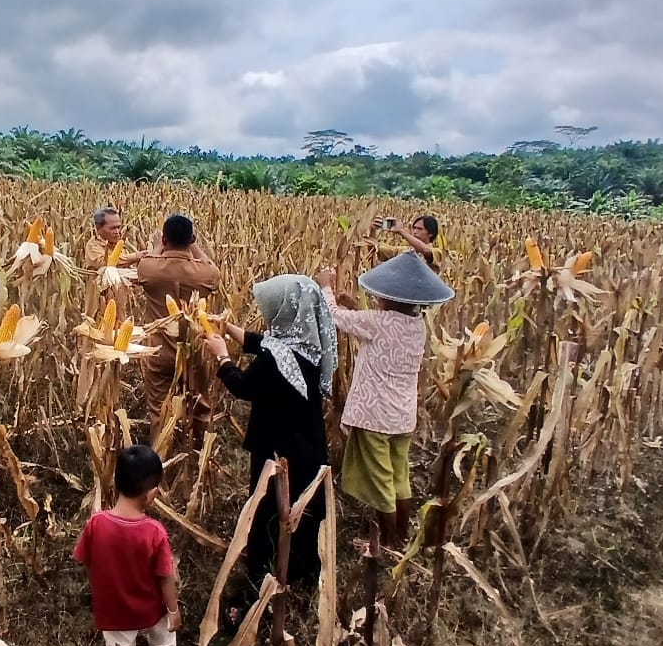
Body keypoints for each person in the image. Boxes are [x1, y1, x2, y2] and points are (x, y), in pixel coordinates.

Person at [202, 275, 337, 621]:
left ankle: (265, 575)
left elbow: (245, 386)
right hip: (306, 442)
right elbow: (268, 344)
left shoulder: (276, 361)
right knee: (303, 508)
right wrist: (231, 329)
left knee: (267, 508)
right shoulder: (308, 345)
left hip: (277, 449)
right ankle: (304, 566)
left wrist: (222, 358)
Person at [315, 252, 453, 546]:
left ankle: (387, 542)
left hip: (374, 416)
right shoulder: (417, 325)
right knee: (399, 478)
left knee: (380, 483)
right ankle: (402, 535)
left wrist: (326, 287)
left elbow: (334, 316)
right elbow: (375, 328)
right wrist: (354, 307)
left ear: (388, 298)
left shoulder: (377, 322)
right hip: (402, 416)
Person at [73, 445, 195, 646]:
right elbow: (165, 576)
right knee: (164, 644)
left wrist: (102, 586)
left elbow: (85, 559)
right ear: (151, 493)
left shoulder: (96, 524)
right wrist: (173, 610)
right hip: (152, 608)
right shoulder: (154, 533)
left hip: (113, 612)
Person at [135, 214, 220, 449]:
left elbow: (151, 256)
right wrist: (194, 244)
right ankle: (198, 453)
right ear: (192, 238)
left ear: (164, 238)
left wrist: (156, 245)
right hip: (195, 352)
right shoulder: (207, 273)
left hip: (159, 352)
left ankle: (161, 459)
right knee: (200, 407)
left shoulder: (149, 268)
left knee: (158, 412)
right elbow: (212, 267)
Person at [373, 214, 441, 269]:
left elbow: (425, 250)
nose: (414, 232)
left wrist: (401, 231)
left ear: (431, 233)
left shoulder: (438, 253)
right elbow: (373, 250)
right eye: (414, 228)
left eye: (419, 229)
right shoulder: (403, 251)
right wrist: (372, 230)